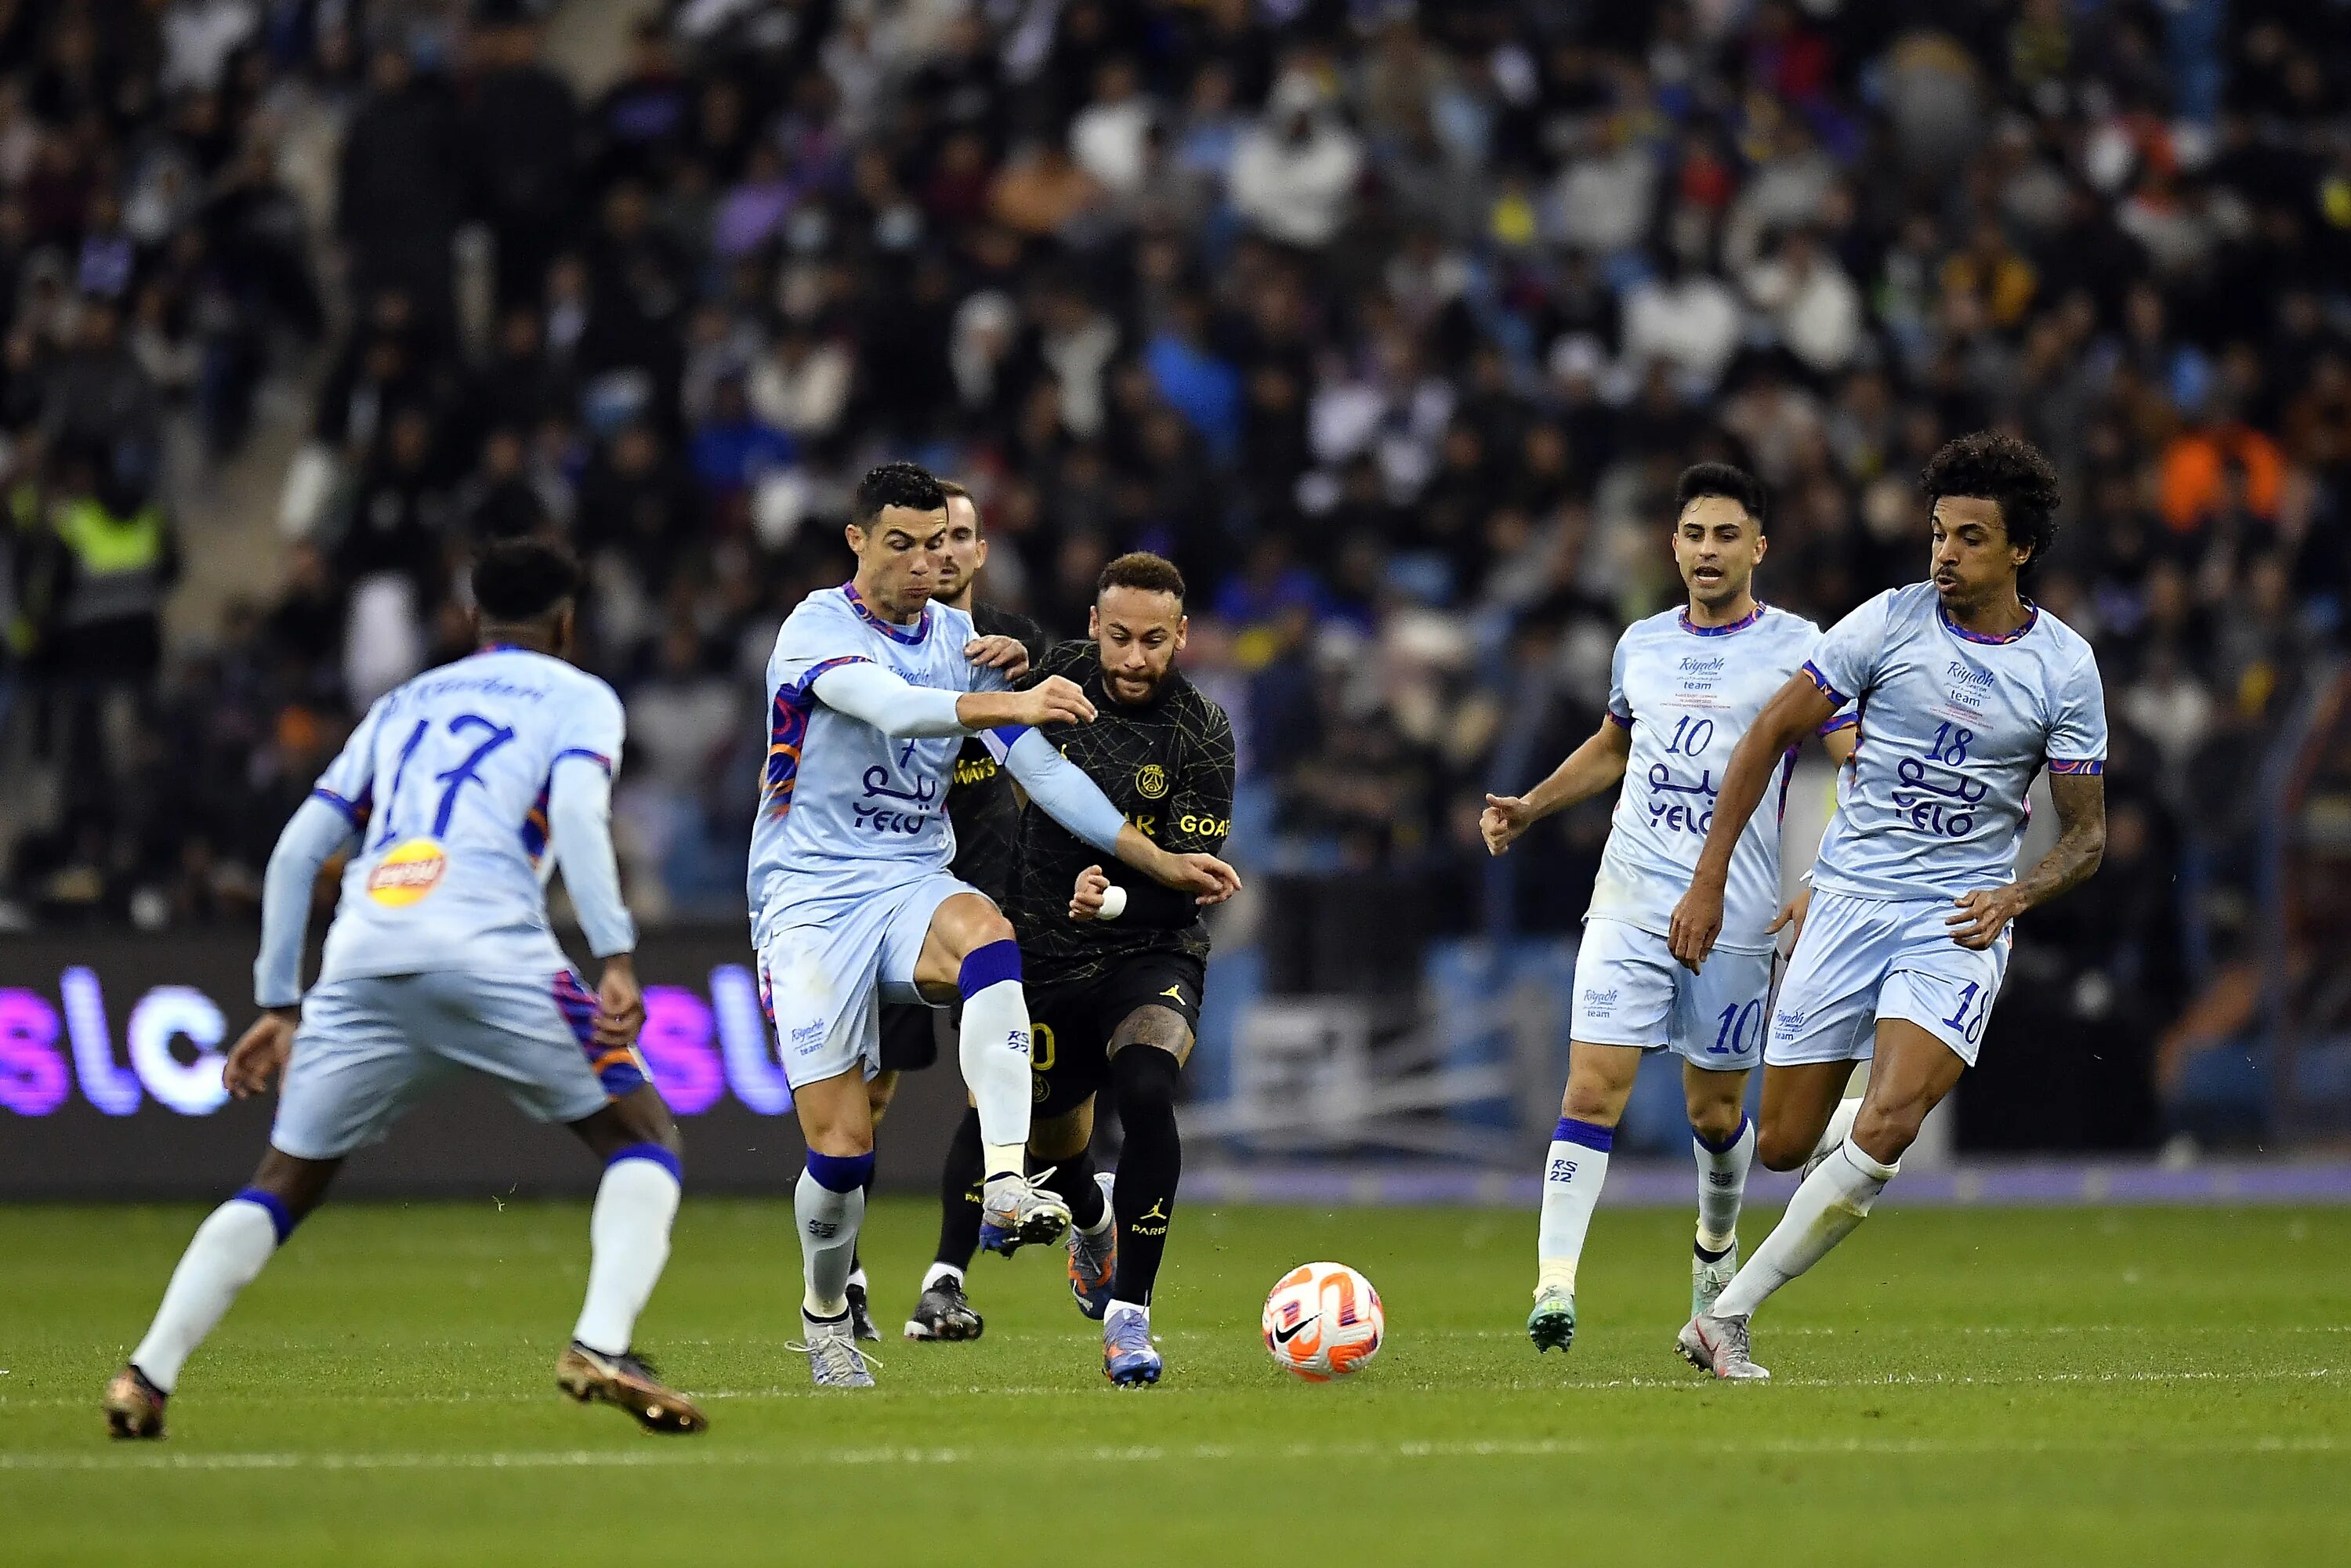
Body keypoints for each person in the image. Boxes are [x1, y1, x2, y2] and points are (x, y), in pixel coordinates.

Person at [103, 539, 705, 1439]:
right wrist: (615, 954)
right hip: (494, 948)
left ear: (472, 620)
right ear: (568, 623)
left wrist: (279, 1004)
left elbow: (298, 851)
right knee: (642, 1136)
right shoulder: (580, 697)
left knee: (282, 1182)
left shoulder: (402, 703)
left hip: (363, 955)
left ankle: (146, 1374)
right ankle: (601, 1342)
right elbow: (578, 814)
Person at [752, 465, 1240, 1389]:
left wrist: (1157, 860)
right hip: (807, 903)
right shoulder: (815, 629)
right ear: (857, 542)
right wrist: (1016, 701)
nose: (923, 561)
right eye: (899, 543)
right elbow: (893, 710)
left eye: (937, 543)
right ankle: (824, 1313)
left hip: (908, 884)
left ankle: (1008, 1179)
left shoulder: (959, 640)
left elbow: (1047, 776)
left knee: (987, 934)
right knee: (843, 1153)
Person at [1668, 433, 2107, 1380]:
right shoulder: (1888, 624)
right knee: (1782, 1145)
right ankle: (1851, 1134)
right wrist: (1709, 879)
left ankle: (1728, 1317)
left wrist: (2018, 893)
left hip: (1958, 915)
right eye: (1940, 533)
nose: (1945, 554)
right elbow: (1766, 740)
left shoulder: (2065, 669)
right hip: (1851, 902)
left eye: (1972, 539)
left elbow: (2086, 837)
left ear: (2021, 550)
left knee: (1895, 1120)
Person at [1480, 463, 1856, 1356]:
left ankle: (1714, 1257)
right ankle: (1555, 1286)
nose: (1708, 551)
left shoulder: (1801, 649)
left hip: (1738, 911)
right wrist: (1533, 804)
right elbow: (1618, 744)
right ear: (1673, 546)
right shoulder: (1640, 643)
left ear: (1759, 548)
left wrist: (1827, 874)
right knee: (1591, 1088)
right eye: (1694, 535)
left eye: (1727, 536)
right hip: (1631, 895)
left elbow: (1859, 757)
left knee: (1716, 1114)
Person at [913, 552, 1235, 1385]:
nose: (1135, 658)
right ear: (1094, 625)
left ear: (1182, 636)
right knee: (1055, 1153)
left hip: (1149, 949)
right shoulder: (1051, 682)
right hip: (1047, 954)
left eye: (1155, 641)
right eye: (1121, 636)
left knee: (1147, 1089)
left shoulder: (1202, 733)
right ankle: (1092, 1222)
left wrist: (1117, 900)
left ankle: (1130, 1317)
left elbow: (1189, 887)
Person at [854, 478, 1047, 1343]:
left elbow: (1049, 770)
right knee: (870, 1088)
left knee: (989, 1084)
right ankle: (845, 1273)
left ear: (977, 551)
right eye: (932, 539)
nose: (946, 552)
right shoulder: (882, 650)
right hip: (891, 889)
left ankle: (946, 1279)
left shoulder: (1012, 649)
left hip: (990, 889)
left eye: (961, 537)